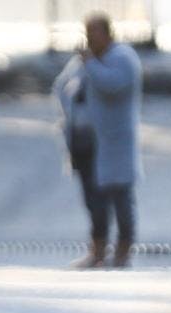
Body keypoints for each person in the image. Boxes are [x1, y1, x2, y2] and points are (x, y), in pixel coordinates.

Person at [54, 13, 142, 268]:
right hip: (84, 141)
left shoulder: (122, 58)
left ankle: (124, 248)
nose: (90, 38)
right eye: (87, 33)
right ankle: (98, 249)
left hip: (113, 143)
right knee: (93, 199)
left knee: (120, 196)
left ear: (108, 33)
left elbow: (112, 85)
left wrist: (91, 64)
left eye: (95, 33)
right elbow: (62, 86)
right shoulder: (82, 62)